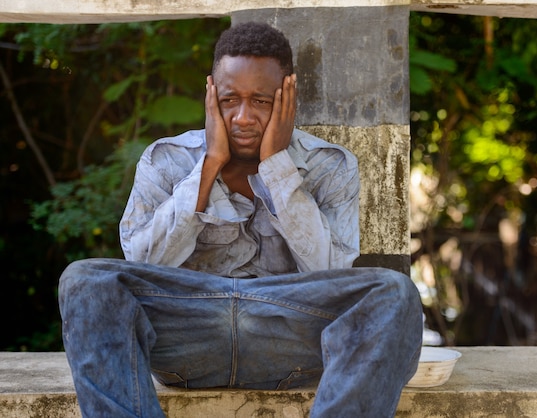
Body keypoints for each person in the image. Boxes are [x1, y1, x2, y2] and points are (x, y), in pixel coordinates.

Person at [59, 21, 422, 418]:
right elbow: (146, 267)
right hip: (185, 341)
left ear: (288, 97)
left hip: (291, 340)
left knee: (395, 292)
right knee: (84, 280)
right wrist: (209, 165)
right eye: (230, 99)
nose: (243, 117)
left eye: (262, 101)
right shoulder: (166, 160)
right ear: (211, 93)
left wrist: (276, 167)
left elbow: (330, 271)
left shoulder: (330, 167)